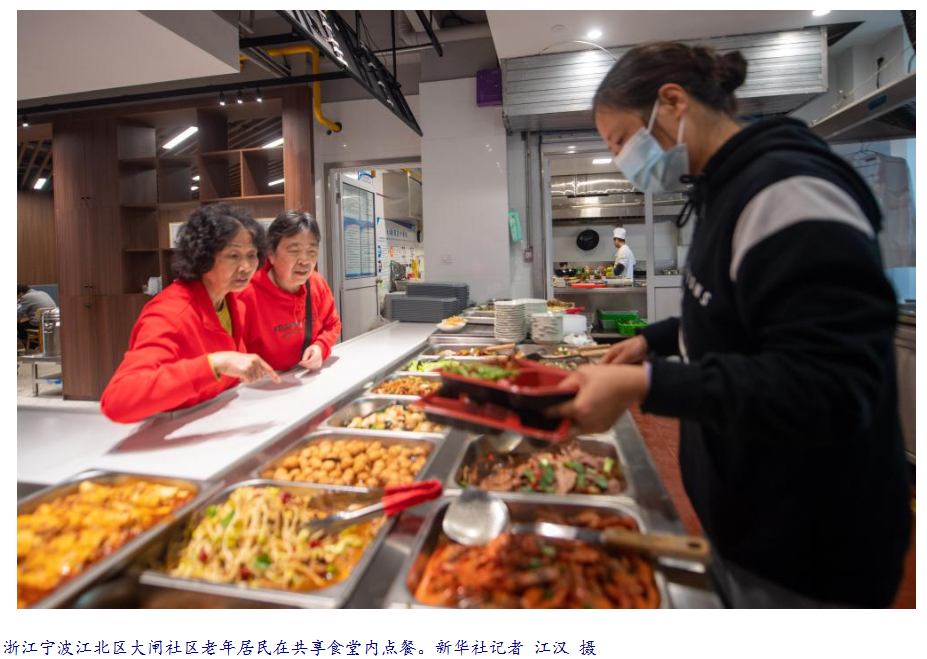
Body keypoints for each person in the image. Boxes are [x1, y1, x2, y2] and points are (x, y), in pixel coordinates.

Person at [551, 42, 910, 607]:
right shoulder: (725, 189)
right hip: (753, 520)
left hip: (810, 545)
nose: (621, 158)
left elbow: (832, 385)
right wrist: (650, 341)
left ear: (673, 102)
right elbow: (731, 311)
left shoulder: (789, 193)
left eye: (620, 140)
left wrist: (647, 384)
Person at [101, 203, 280, 424]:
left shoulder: (232, 303)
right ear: (203, 257)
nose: (246, 267)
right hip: (172, 431)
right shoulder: (171, 313)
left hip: (215, 425)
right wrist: (215, 363)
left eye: (252, 255)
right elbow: (118, 400)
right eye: (233, 256)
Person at [239, 210, 341, 371]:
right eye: (294, 251)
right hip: (263, 382)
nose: (305, 261)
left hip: (304, 377)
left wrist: (320, 347)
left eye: (311, 252)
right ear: (271, 254)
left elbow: (332, 324)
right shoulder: (245, 295)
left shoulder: (317, 283)